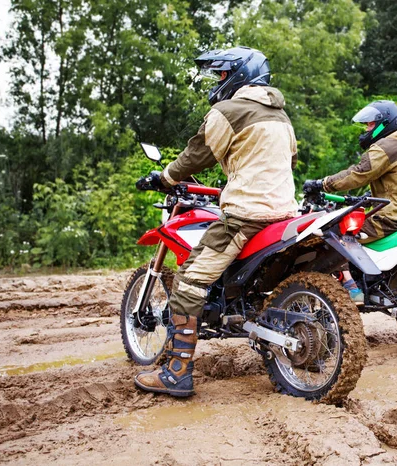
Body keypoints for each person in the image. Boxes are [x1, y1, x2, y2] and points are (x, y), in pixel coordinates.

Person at [134, 46, 298, 397]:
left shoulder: (228, 110)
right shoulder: (281, 116)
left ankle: (176, 372)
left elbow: (196, 155)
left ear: (239, 75)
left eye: (222, 74)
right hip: (286, 214)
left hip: (247, 216)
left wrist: (164, 178)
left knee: (189, 282)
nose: (218, 81)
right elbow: (290, 161)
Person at [303, 100, 397, 303]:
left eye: (370, 124)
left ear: (383, 124)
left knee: (333, 234)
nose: (366, 129)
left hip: (390, 218)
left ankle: (350, 287)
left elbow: (357, 174)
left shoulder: (386, 146)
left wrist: (321, 183)